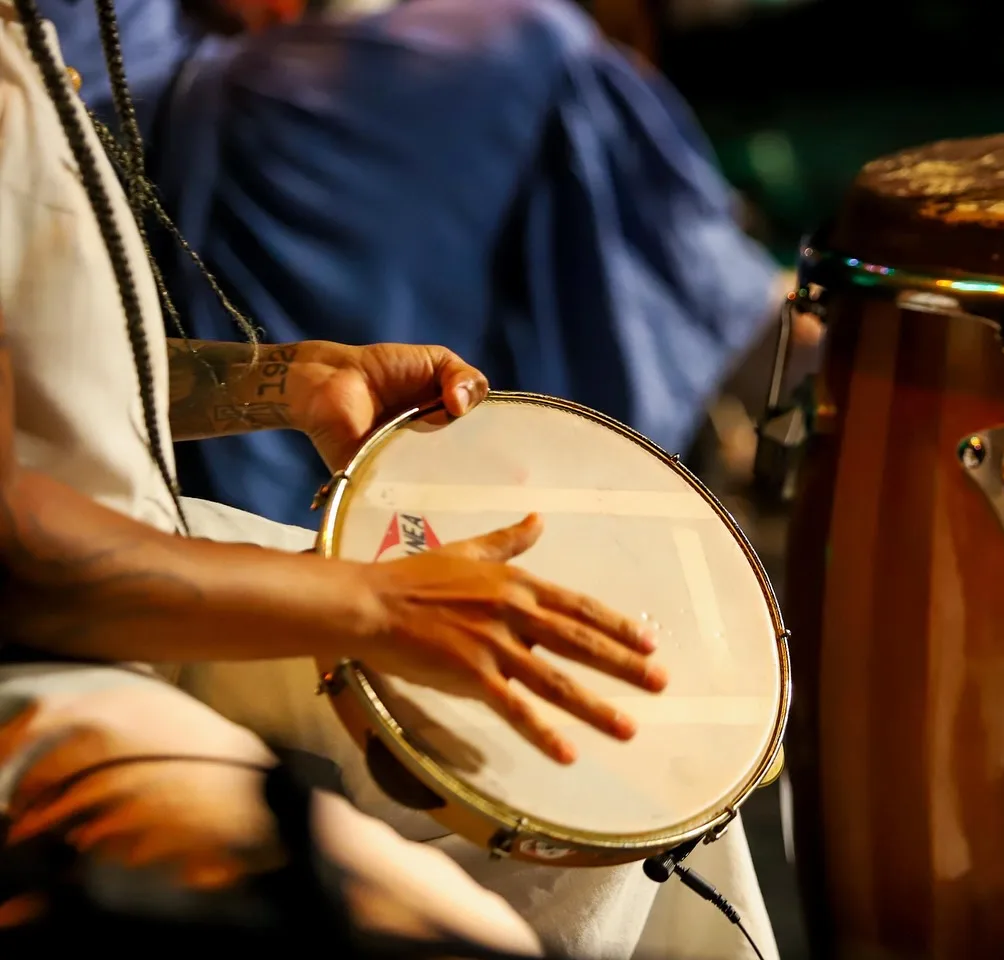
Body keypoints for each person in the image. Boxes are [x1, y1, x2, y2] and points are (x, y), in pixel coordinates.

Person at [0, 0, 785, 954]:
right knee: (423, 919)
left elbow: (41, 371)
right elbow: (18, 566)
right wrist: (370, 603)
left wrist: (282, 379)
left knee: (629, 772)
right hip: (37, 653)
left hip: (119, 556)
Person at [40, 0, 800, 532]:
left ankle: (705, 391)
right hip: (126, 118)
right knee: (530, 47)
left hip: (196, 63)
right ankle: (759, 348)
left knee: (517, 50)